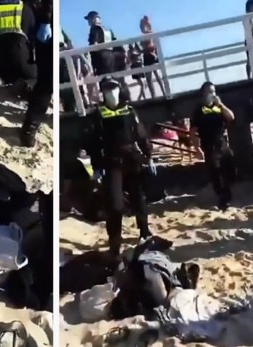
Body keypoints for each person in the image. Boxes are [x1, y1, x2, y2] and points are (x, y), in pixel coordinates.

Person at [89, 77, 156, 257]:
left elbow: (141, 135)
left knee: (139, 199)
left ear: (120, 89)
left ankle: (144, 233)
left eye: (114, 88)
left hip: (132, 159)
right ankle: (115, 242)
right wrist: (96, 168)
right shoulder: (98, 114)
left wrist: (149, 156)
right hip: (112, 162)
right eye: (107, 89)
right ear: (102, 92)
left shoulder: (129, 110)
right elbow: (94, 143)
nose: (111, 92)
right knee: (115, 205)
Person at [190, 81, 236, 210]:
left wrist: (220, 104)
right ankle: (223, 199)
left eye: (214, 91)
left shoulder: (218, 107)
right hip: (209, 146)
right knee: (216, 173)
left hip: (222, 143)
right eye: (209, 92)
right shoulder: (199, 110)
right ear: (203, 94)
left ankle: (227, 192)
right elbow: (192, 132)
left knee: (230, 169)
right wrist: (196, 149)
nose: (212, 94)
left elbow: (231, 117)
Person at [20, 0, 52, 148]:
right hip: (45, 26)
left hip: (52, 30)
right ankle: (30, 127)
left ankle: (31, 123)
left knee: (47, 84)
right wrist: (46, 20)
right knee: (46, 83)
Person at [0, 0, 37, 86]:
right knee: (37, 76)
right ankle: (26, 84)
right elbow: (33, 37)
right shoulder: (25, 9)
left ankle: (0, 78)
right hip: (21, 62)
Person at [139, 16, 166, 97]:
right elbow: (143, 47)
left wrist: (157, 56)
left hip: (152, 55)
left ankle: (164, 92)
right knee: (148, 78)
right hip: (146, 56)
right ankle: (153, 95)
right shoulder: (143, 35)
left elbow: (154, 45)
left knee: (157, 75)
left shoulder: (150, 33)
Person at [86, 11, 116, 79]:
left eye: (89, 19)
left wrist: (93, 63)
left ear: (94, 19)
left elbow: (94, 44)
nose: (88, 22)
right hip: (111, 56)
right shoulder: (107, 29)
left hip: (100, 58)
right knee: (112, 78)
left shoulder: (94, 28)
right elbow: (114, 42)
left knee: (103, 80)